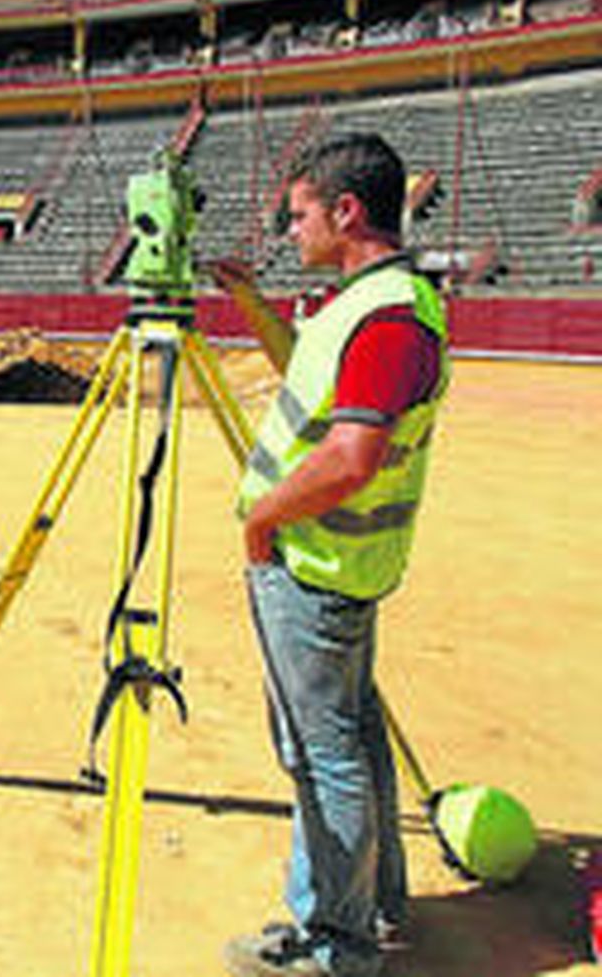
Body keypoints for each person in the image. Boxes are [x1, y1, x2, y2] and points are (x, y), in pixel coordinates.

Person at [214, 133, 450, 977]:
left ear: (346, 211)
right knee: (351, 737)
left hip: (313, 563)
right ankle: (371, 905)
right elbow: (310, 372)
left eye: (299, 214)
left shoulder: (386, 318)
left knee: (323, 754)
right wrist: (252, 303)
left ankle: (335, 945)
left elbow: (350, 457)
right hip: (336, 562)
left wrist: (261, 521)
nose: (292, 230)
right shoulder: (369, 302)